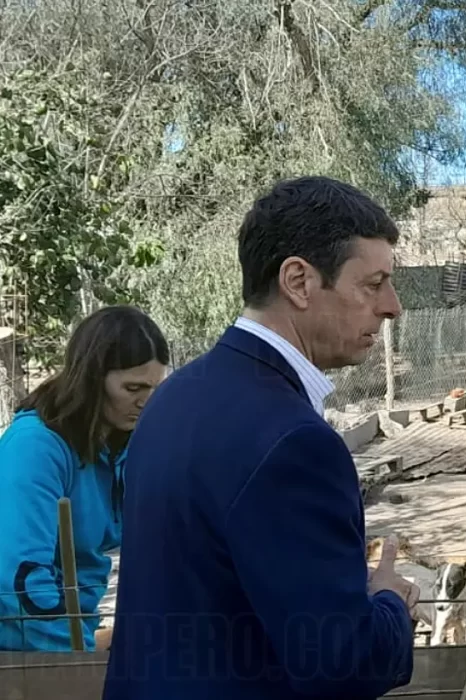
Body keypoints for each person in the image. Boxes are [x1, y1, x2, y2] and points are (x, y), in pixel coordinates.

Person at [102, 176, 419, 700]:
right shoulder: (295, 442)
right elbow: (341, 665)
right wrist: (388, 605)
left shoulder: (173, 399)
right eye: (373, 283)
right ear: (298, 281)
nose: (392, 305)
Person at [0, 305, 169, 652]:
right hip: (24, 651)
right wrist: (79, 656)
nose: (146, 402)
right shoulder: (35, 448)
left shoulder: (122, 446)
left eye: (155, 389)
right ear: (92, 380)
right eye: (133, 388)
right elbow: (18, 579)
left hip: (76, 634)